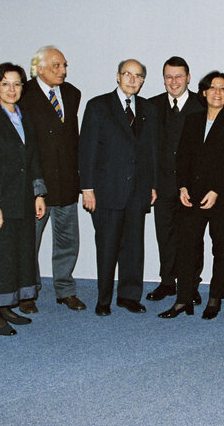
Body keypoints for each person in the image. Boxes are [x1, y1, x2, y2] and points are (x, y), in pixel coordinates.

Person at [0, 63, 47, 336]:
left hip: (23, 199)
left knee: (17, 255)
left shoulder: (25, 118)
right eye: (5, 84)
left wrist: (38, 193)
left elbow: (33, 159)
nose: (11, 89)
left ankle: (5, 307)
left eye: (16, 84)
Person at [159, 71, 224, 320]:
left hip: (222, 195)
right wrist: (182, 187)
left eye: (223, 89)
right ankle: (183, 299)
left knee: (221, 248)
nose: (217, 93)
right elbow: (182, 157)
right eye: (212, 88)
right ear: (203, 92)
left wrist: (216, 191)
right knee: (187, 247)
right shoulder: (193, 119)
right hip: (191, 195)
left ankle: (215, 297)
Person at [79, 59, 158, 316]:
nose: (132, 80)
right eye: (128, 74)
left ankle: (129, 296)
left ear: (143, 80)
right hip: (107, 190)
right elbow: (87, 149)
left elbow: (152, 152)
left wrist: (153, 185)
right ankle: (103, 300)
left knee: (134, 247)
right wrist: (87, 188)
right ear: (117, 76)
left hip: (138, 190)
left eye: (138, 76)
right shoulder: (98, 106)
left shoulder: (148, 108)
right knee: (107, 246)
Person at [19, 46, 84, 313]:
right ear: (40, 67)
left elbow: (73, 140)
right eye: (57, 65)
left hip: (67, 183)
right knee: (29, 242)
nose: (63, 71)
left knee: (68, 241)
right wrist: (35, 187)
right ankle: (27, 292)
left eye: (64, 65)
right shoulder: (24, 95)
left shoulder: (72, 94)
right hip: (37, 186)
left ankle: (65, 291)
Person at [148, 56, 204, 303]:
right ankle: (167, 282)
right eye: (169, 77)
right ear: (163, 80)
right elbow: (145, 150)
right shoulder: (151, 107)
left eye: (179, 76)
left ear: (188, 78)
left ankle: (191, 285)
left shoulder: (202, 105)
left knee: (192, 238)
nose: (174, 81)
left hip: (191, 187)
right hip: (161, 186)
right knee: (165, 236)